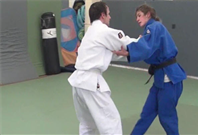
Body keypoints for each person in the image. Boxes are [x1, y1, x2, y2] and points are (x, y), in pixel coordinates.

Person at [113, 4, 187, 135]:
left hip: (169, 79)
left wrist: (129, 51)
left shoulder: (155, 27)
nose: (137, 19)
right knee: (146, 114)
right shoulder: (150, 30)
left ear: (148, 15)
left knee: (166, 117)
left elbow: (145, 48)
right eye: (136, 16)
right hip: (160, 80)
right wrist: (132, 49)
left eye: (139, 15)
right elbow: (148, 51)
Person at [68, 2, 138, 135]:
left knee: (87, 125)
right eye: (109, 14)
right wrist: (144, 42)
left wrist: (129, 55)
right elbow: (125, 43)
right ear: (102, 15)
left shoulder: (90, 33)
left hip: (78, 84)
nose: (110, 17)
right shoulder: (103, 31)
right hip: (91, 83)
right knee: (111, 121)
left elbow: (110, 53)